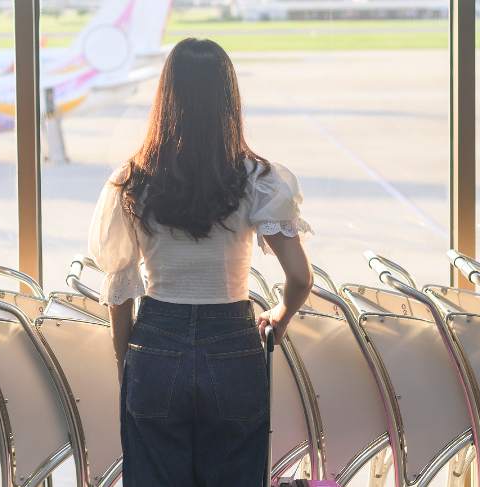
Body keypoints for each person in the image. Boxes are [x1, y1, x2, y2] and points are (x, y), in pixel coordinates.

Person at [88, 38, 313, 486]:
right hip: (232, 340)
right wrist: (280, 319)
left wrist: (129, 363)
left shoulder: (132, 180)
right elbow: (300, 279)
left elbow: (120, 288)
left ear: (165, 98)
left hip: (155, 343)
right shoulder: (257, 179)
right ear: (229, 100)